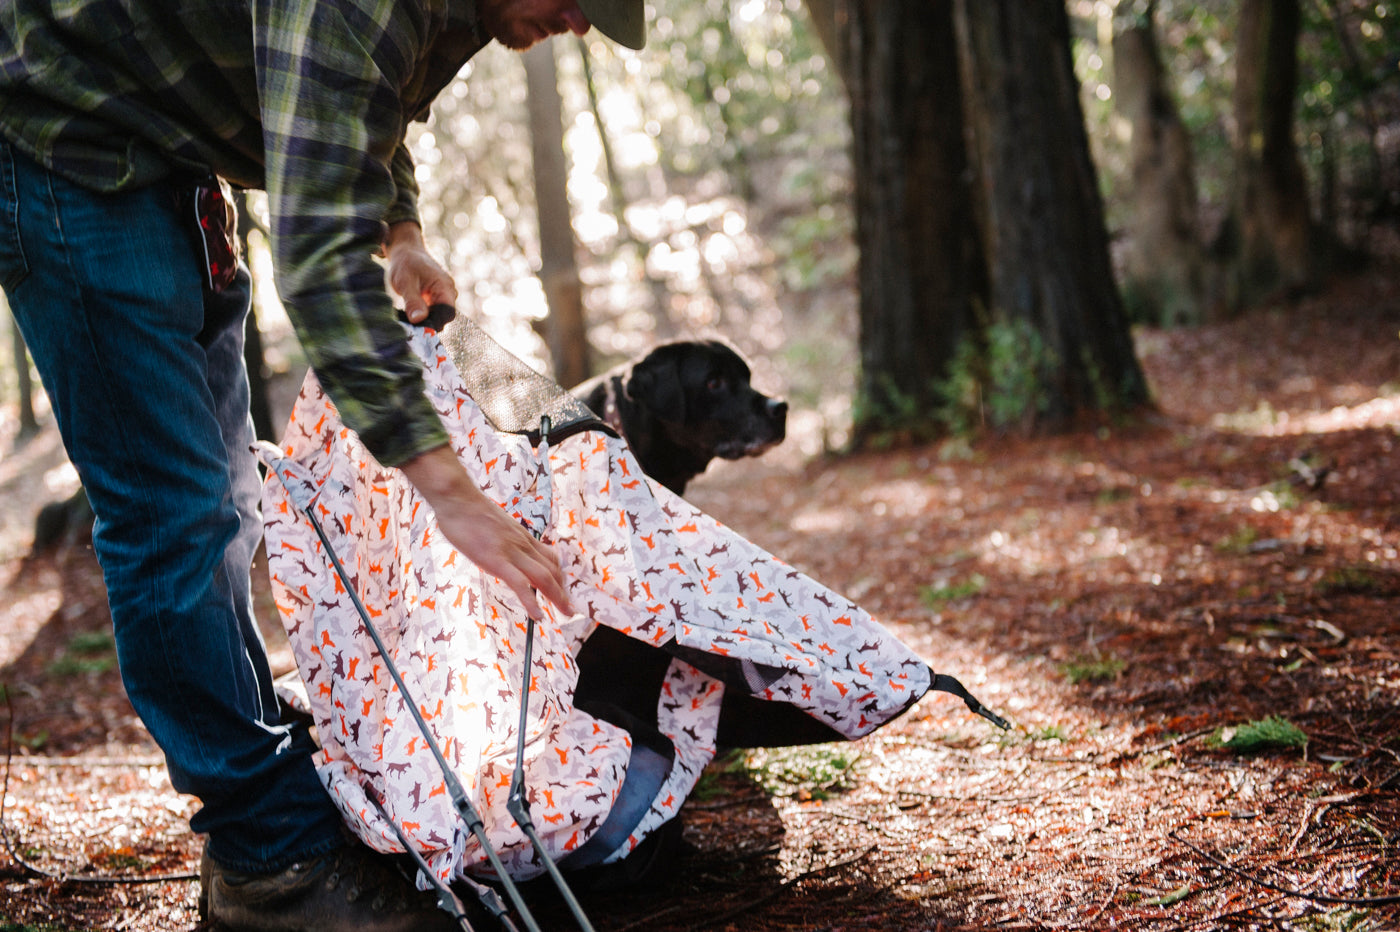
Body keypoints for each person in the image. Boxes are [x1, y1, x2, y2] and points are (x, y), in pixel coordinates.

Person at [0, 0, 644, 928]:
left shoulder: (452, 11)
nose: (582, 22)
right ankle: (272, 864)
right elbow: (314, 255)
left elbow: (347, 117)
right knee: (171, 517)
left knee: (224, 499)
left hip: (167, 155)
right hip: (73, 145)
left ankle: (267, 793)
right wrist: (451, 496)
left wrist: (402, 230)